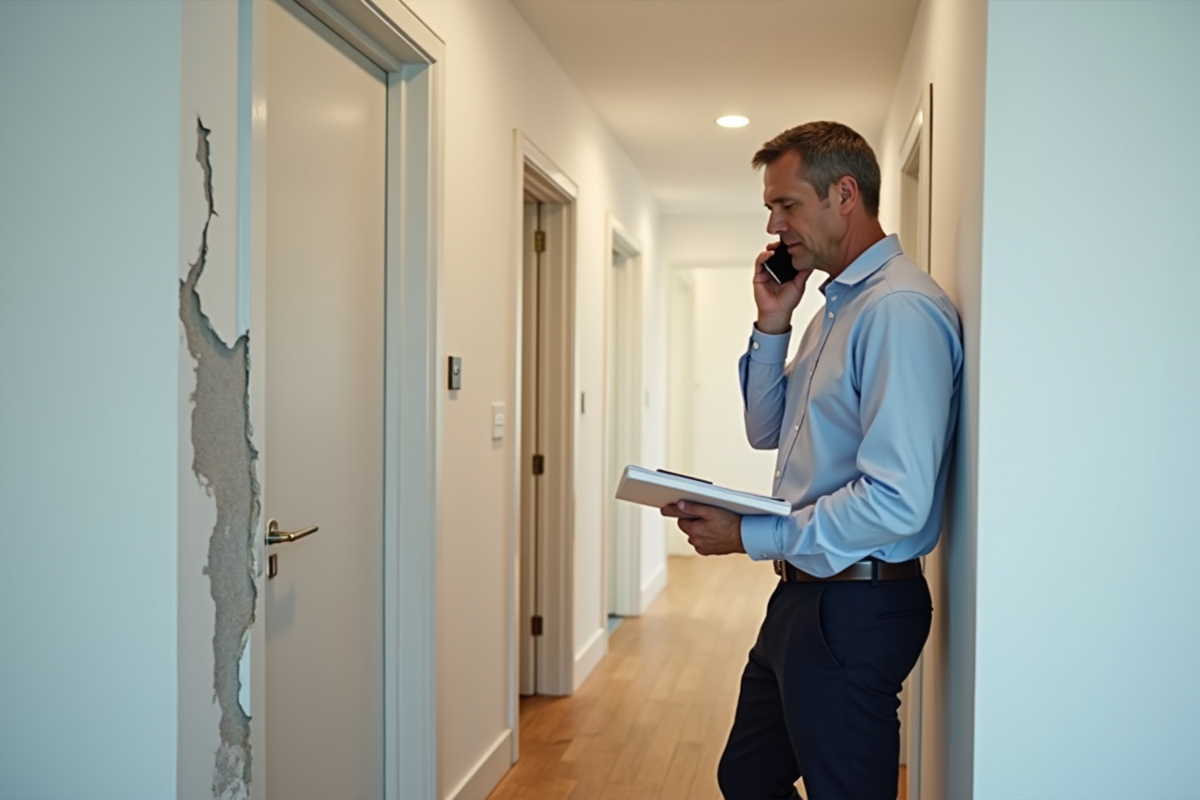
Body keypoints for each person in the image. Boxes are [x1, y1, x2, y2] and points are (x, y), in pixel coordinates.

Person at [662, 121, 963, 799]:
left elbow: (897, 500)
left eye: (787, 204)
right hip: (806, 593)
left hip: (856, 603)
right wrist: (773, 320)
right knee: (748, 775)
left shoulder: (898, 311)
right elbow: (767, 428)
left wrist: (749, 534)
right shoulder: (834, 310)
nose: (774, 224)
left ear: (844, 195)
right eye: (771, 207)